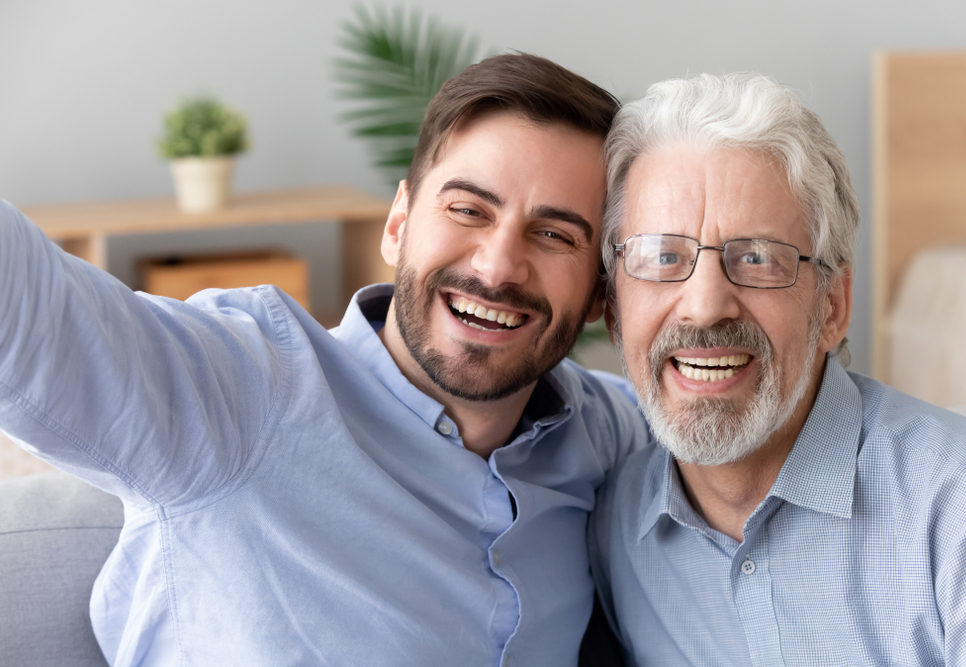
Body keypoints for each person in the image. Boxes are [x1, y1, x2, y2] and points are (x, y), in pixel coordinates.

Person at [0, 53, 649, 666]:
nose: (499, 264)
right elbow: (33, 313)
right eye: (467, 209)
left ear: (599, 291)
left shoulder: (603, 429)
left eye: (555, 234)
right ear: (397, 224)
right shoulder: (239, 391)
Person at [589, 72, 966, 666]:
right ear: (612, 308)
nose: (704, 307)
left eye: (756, 258)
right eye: (663, 256)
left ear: (832, 308)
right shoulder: (614, 527)